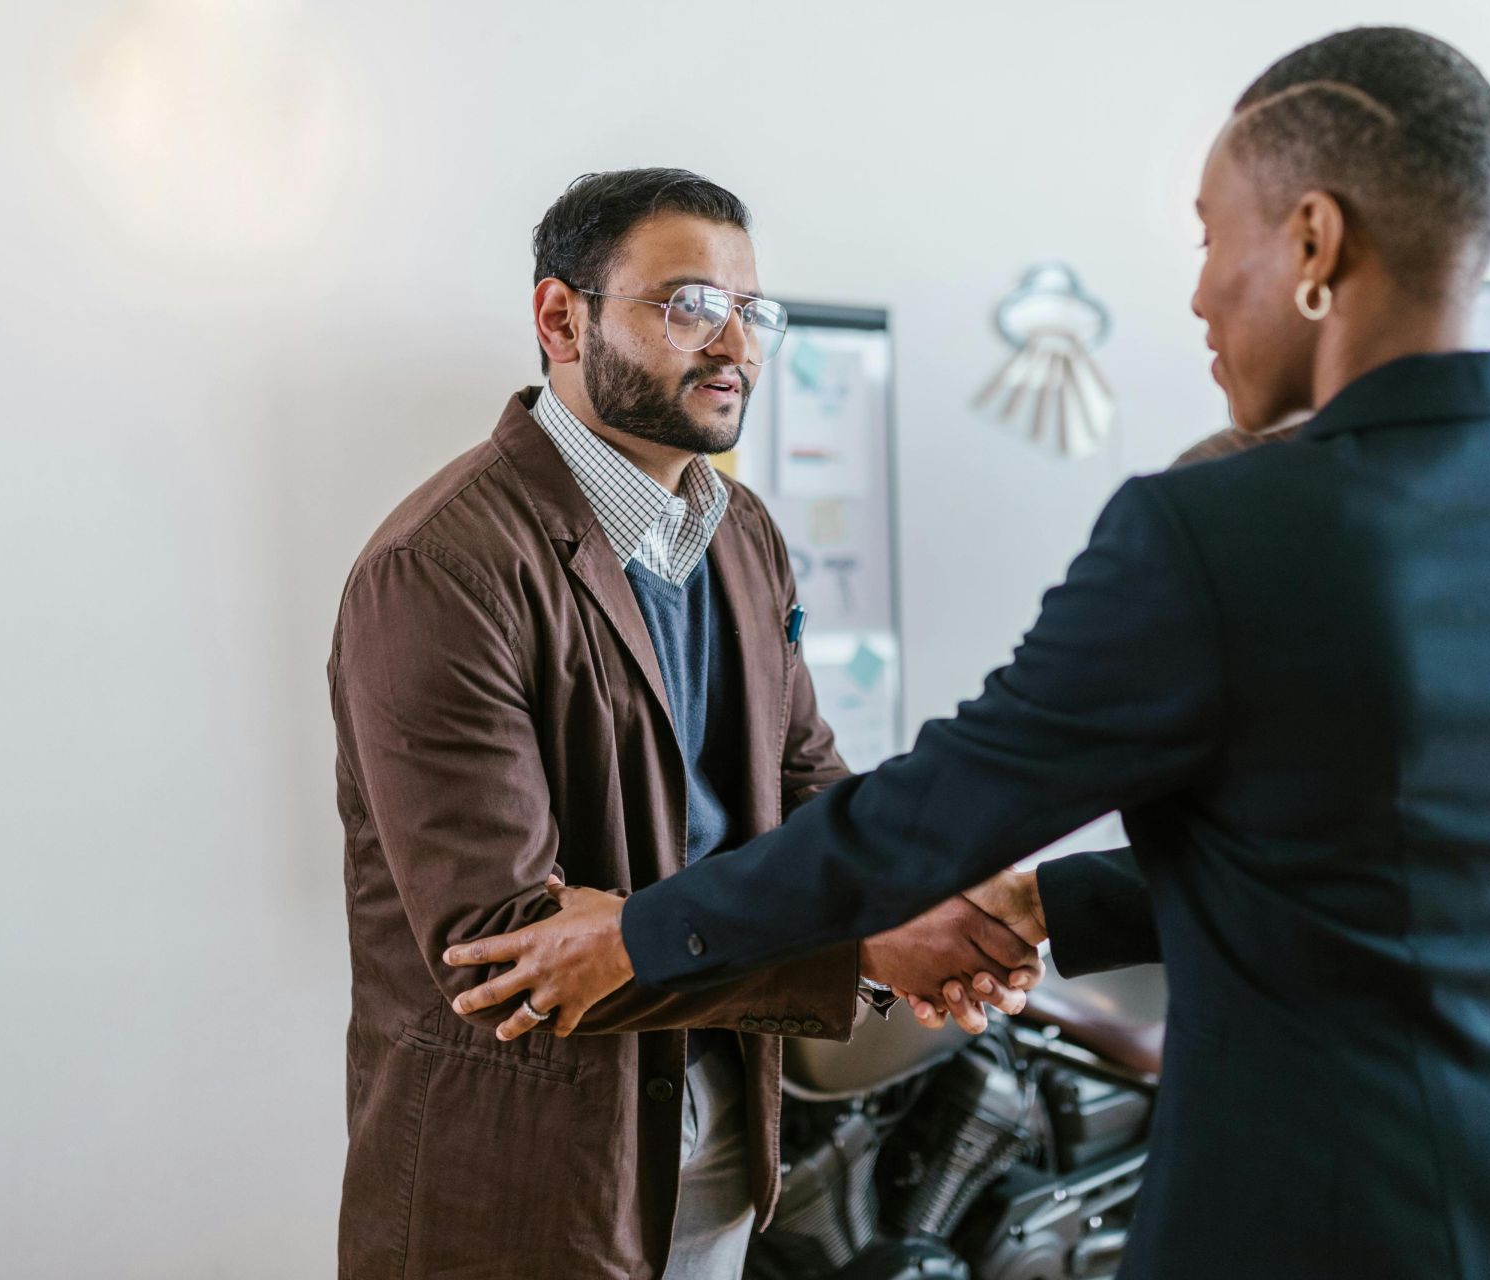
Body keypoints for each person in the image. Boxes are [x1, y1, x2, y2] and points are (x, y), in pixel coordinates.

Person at [444, 31, 1490, 1278]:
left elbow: (934, 812)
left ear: (1316, 242)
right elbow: (1385, 863)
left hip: (1333, 1216)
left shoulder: (1223, 529)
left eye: (1214, 239)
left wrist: (642, 932)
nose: (1202, 292)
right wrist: (1047, 902)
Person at [327, 168, 1039, 1280]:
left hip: (718, 1152)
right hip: (525, 1188)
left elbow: (807, 784)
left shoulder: (741, 531)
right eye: (688, 305)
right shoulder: (442, 567)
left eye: (752, 312)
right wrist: (858, 942)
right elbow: (505, 939)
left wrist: (914, 894)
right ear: (560, 318)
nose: (736, 347)